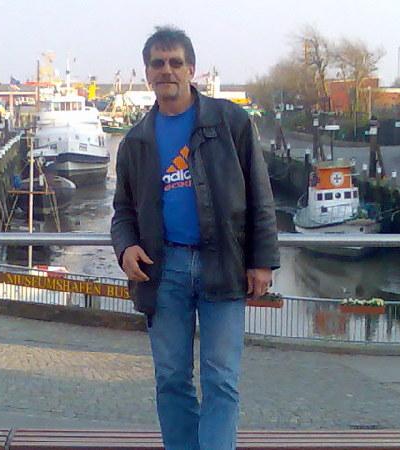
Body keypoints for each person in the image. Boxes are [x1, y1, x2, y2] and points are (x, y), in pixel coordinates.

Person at [110, 26, 279, 449]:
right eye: (158, 64)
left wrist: (262, 260)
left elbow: (260, 195)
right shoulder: (136, 141)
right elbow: (123, 210)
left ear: (192, 69)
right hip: (162, 269)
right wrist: (126, 247)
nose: (166, 70)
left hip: (223, 263)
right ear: (147, 73)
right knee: (171, 379)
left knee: (221, 378)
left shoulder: (230, 122)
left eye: (175, 62)